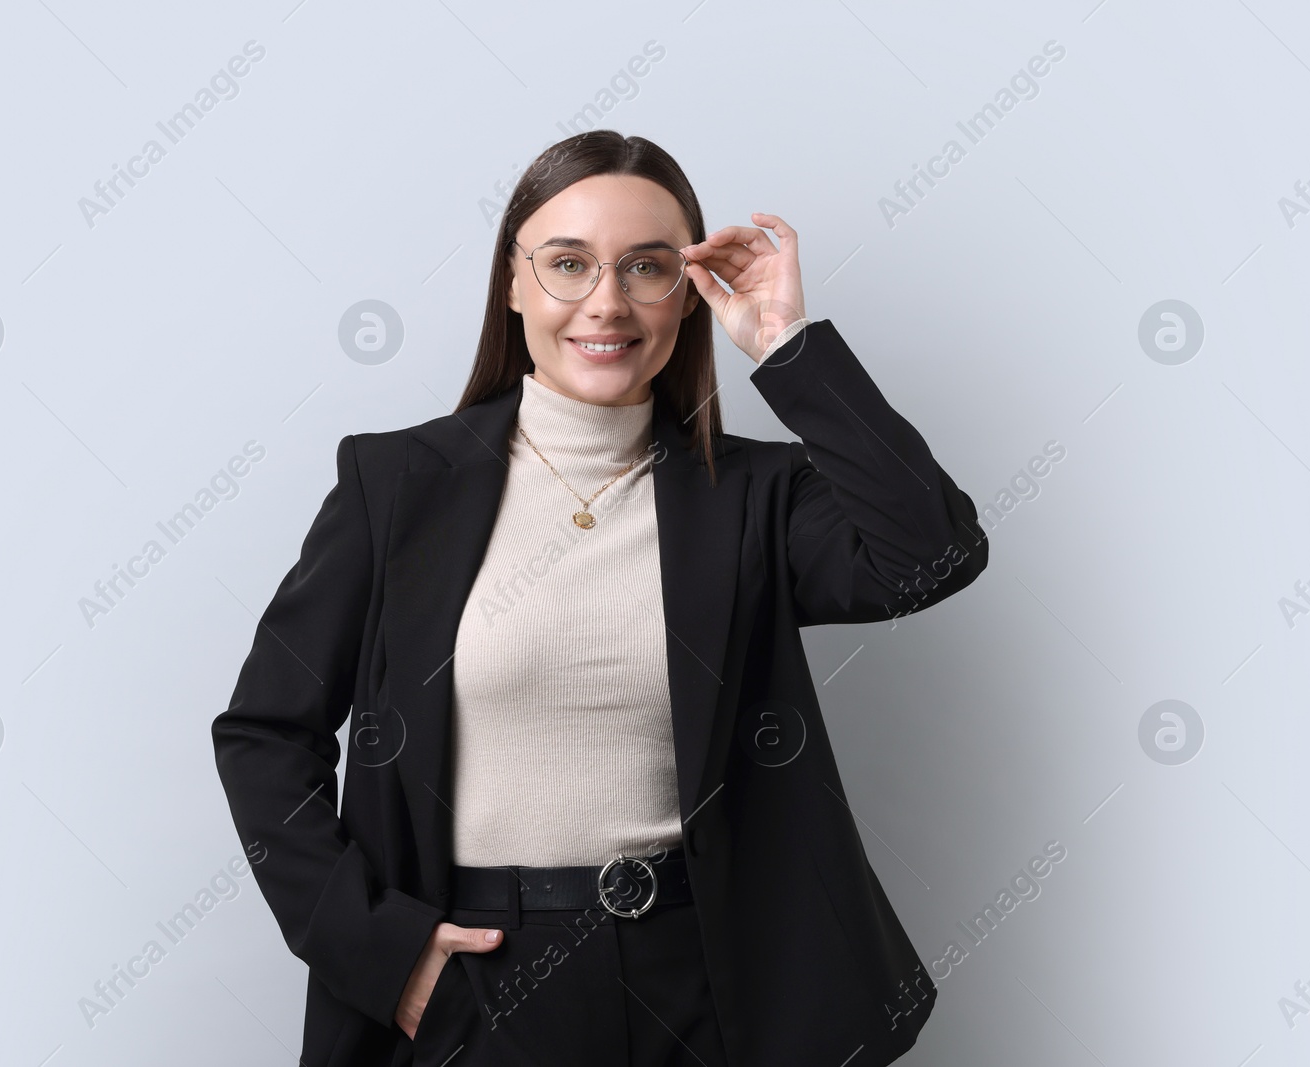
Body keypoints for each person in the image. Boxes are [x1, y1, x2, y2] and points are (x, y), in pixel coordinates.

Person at [212, 130, 990, 1067]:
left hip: (707, 982)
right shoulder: (397, 485)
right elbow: (263, 731)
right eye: (568, 263)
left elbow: (931, 552)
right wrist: (383, 951)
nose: (607, 302)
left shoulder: (751, 497)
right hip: (477, 977)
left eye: (648, 268)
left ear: (690, 291)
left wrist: (786, 347)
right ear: (512, 282)